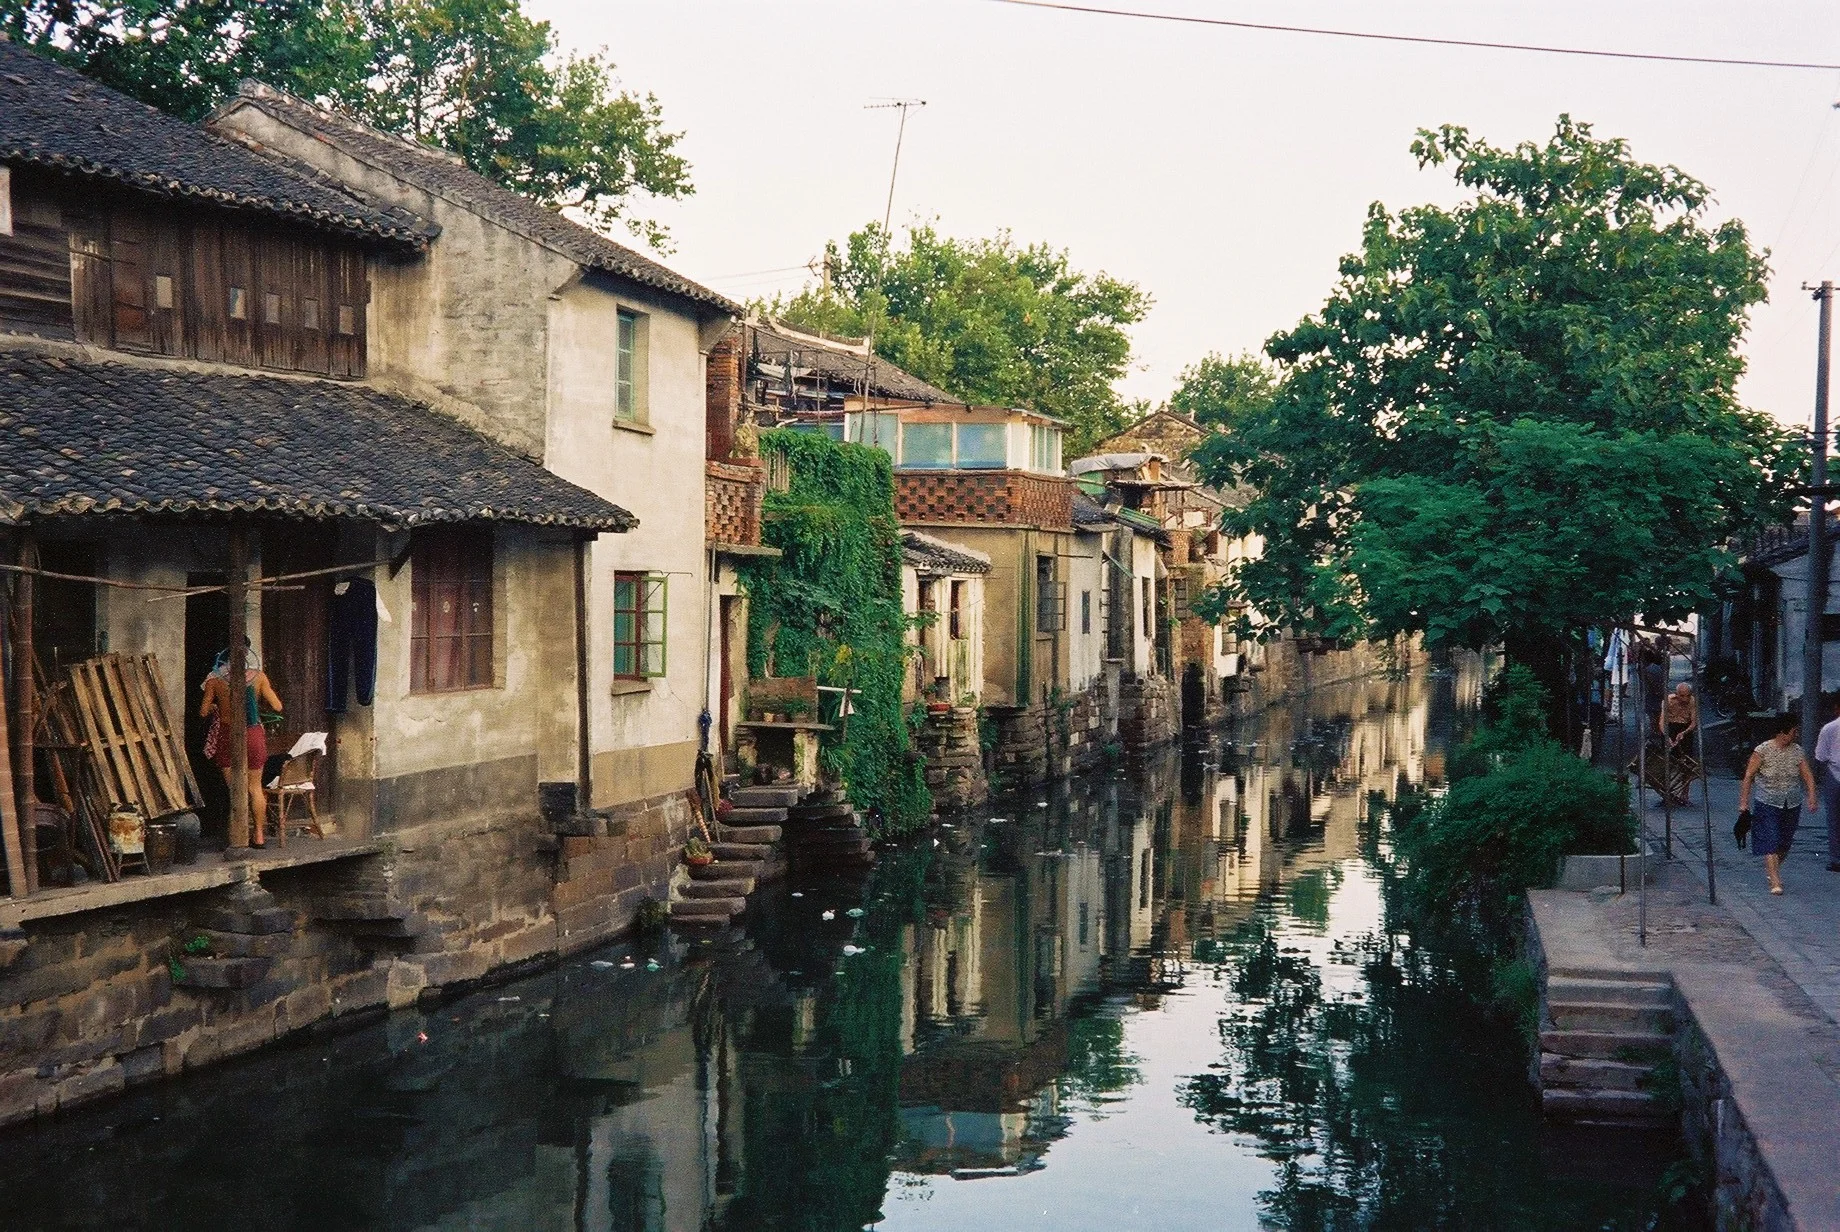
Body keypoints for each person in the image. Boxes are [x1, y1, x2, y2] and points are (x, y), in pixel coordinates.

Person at [200, 641, 283, 848]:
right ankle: (260, 836)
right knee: (255, 788)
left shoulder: (214, 680)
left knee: (235, 789)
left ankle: (238, 836)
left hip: (228, 735)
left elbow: (203, 712)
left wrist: (215, 707)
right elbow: (277, 706)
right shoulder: (258, 677)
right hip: (253, 732)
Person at [1738, 713, 1819, 895]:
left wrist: (1812, 796)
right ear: (1783, 732)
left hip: (1791, 802)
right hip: (1767, 801)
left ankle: (1772, 869)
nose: (1795, 735)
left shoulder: (1797, 751)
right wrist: (1743, 801)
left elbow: (1807, 775)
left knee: (1785, 842)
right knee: (1771, 840)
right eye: (1793, 731)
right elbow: (1749, 776)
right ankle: (1775, 881)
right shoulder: (1762, 751)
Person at [1658, 682, 1700, 803]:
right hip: (1670, 728)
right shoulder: (1669, 701)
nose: (1685, 699)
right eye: (1682, 696)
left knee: (1686, 763)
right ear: (1676, 694)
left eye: (1687, 695)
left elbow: (1693, 723)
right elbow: (1662, 722)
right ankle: (1666, 792)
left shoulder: (1692, 701)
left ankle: (1684, 794)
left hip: (1685, 729)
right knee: (1666, 762)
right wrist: (1667, 737)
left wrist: (1684, 732)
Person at [1815, 696, 1840, 874]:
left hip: (1834, 774)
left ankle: (1836, 858)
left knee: (1834, 819)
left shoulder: (1829, 728)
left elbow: (1820, 757)